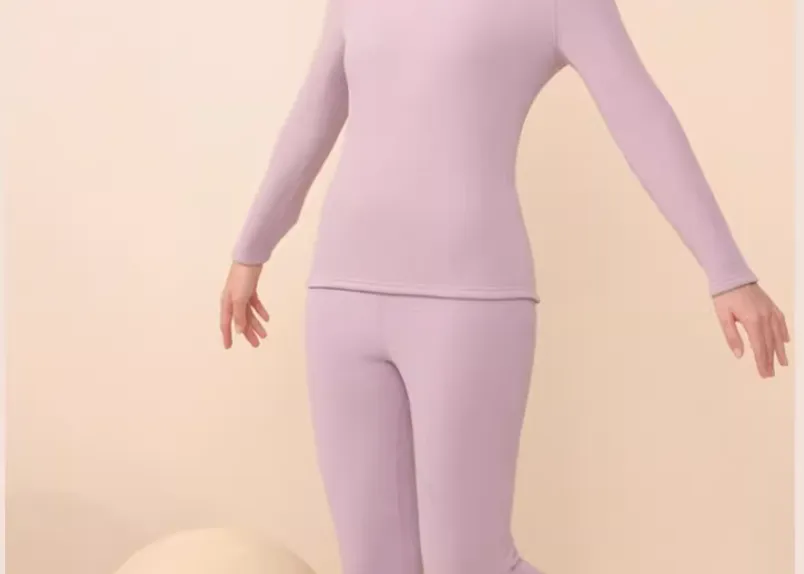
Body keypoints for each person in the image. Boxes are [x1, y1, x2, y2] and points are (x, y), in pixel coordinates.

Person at [219, 0, 790, 572]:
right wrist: (252, 248)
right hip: (340, 296)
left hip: (469, 302)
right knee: (373, 563)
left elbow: (642, 119)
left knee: (472, 563)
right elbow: (312, 118)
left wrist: (727, 270)